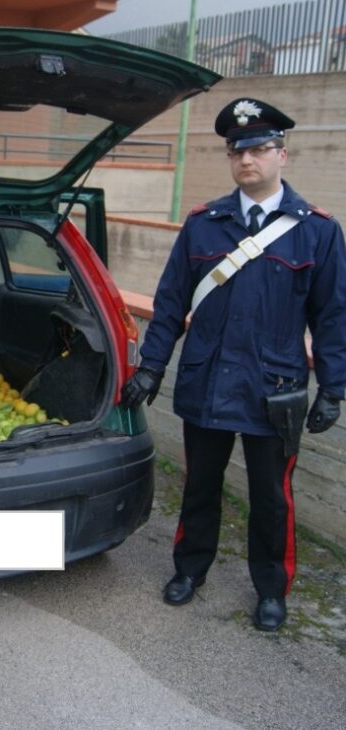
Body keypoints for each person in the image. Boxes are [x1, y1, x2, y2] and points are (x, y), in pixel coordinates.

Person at [120, 98, 346, 632]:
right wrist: (152, 365)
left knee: (271, 498)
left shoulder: (316, 231)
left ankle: (272, 590)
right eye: (236, 150)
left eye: (260, 148)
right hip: (206, 381)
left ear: (282, 154)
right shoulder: (204, 225)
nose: (247, 159)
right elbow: (171, 300)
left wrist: (333, 388)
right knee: (201, 485)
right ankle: (190, 570)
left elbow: (333, 316)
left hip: (275, 389)